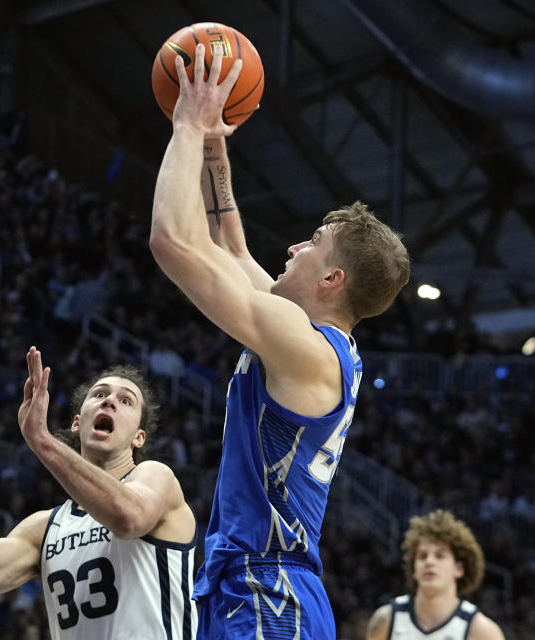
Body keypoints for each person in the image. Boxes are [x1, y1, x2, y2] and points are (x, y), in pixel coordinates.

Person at [149, 44, 411, 638]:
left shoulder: (304, 347)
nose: (294, 246)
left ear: (331, 279)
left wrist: (188, 123)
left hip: (269, 592)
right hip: (247, 583)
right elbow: (232, 247)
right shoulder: (309, 340)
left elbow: (172, 242)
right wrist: (215, 145)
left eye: (312, 241)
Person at [0, 347, 197, 639]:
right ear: (77, 422)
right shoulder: (44, 528)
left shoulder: (156, 477)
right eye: (98, 395)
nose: (109, 401)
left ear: (138, 437)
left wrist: (41, 440)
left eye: (125, 401)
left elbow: (128, 519)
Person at [366, 510, 505, 639]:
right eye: (422, 556)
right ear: (414, 570)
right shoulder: (387, 619)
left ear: (459, 569)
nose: (429, 562)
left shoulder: (482, 631)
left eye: (439, 555)